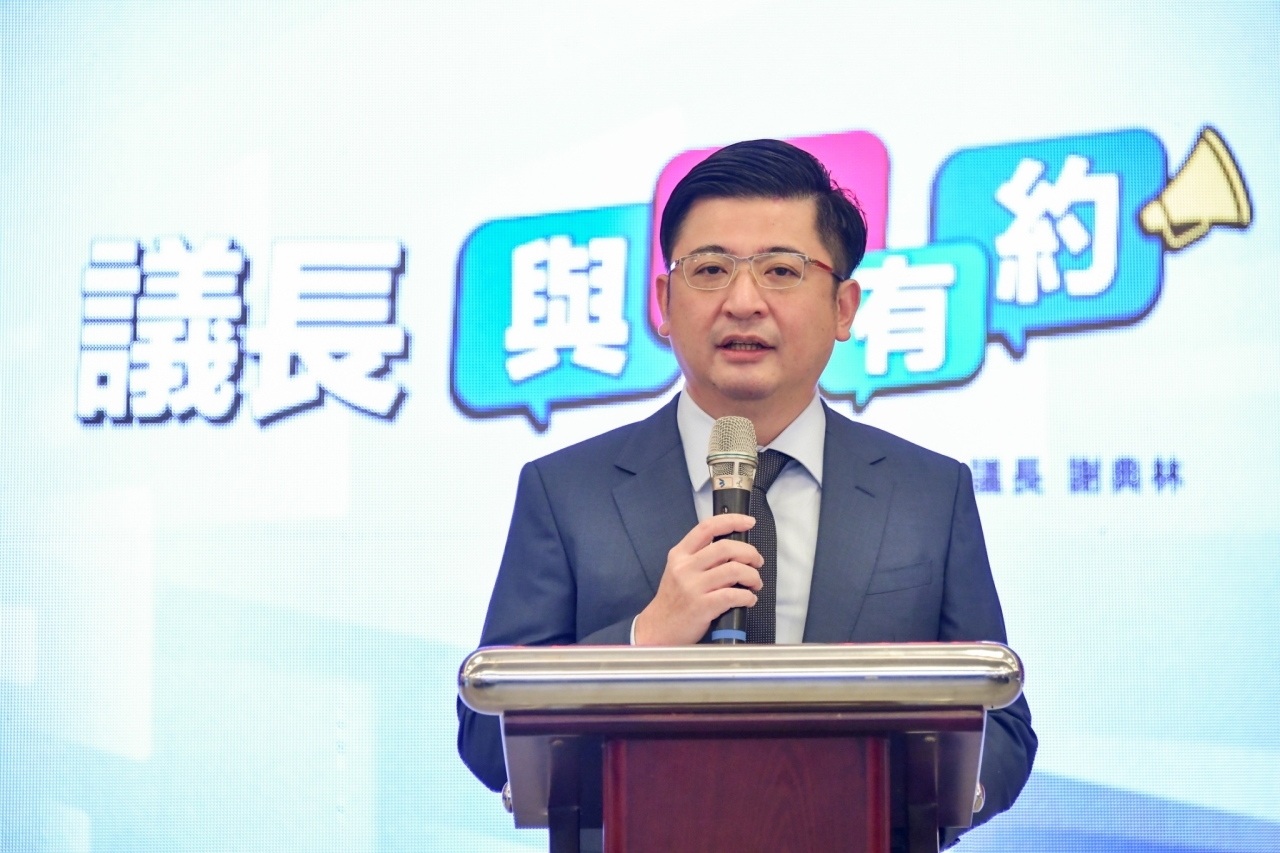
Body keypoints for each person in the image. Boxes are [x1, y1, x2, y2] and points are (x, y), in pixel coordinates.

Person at [457, 139, 1036, 847]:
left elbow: (1003, 727)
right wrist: (644, 641)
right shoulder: (566, 490)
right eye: (710, 270)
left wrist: (927, 793)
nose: (742, 301)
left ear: (844, 306)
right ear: (665, 302)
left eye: (781, 270)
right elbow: (485, 734)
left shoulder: (927, 494)